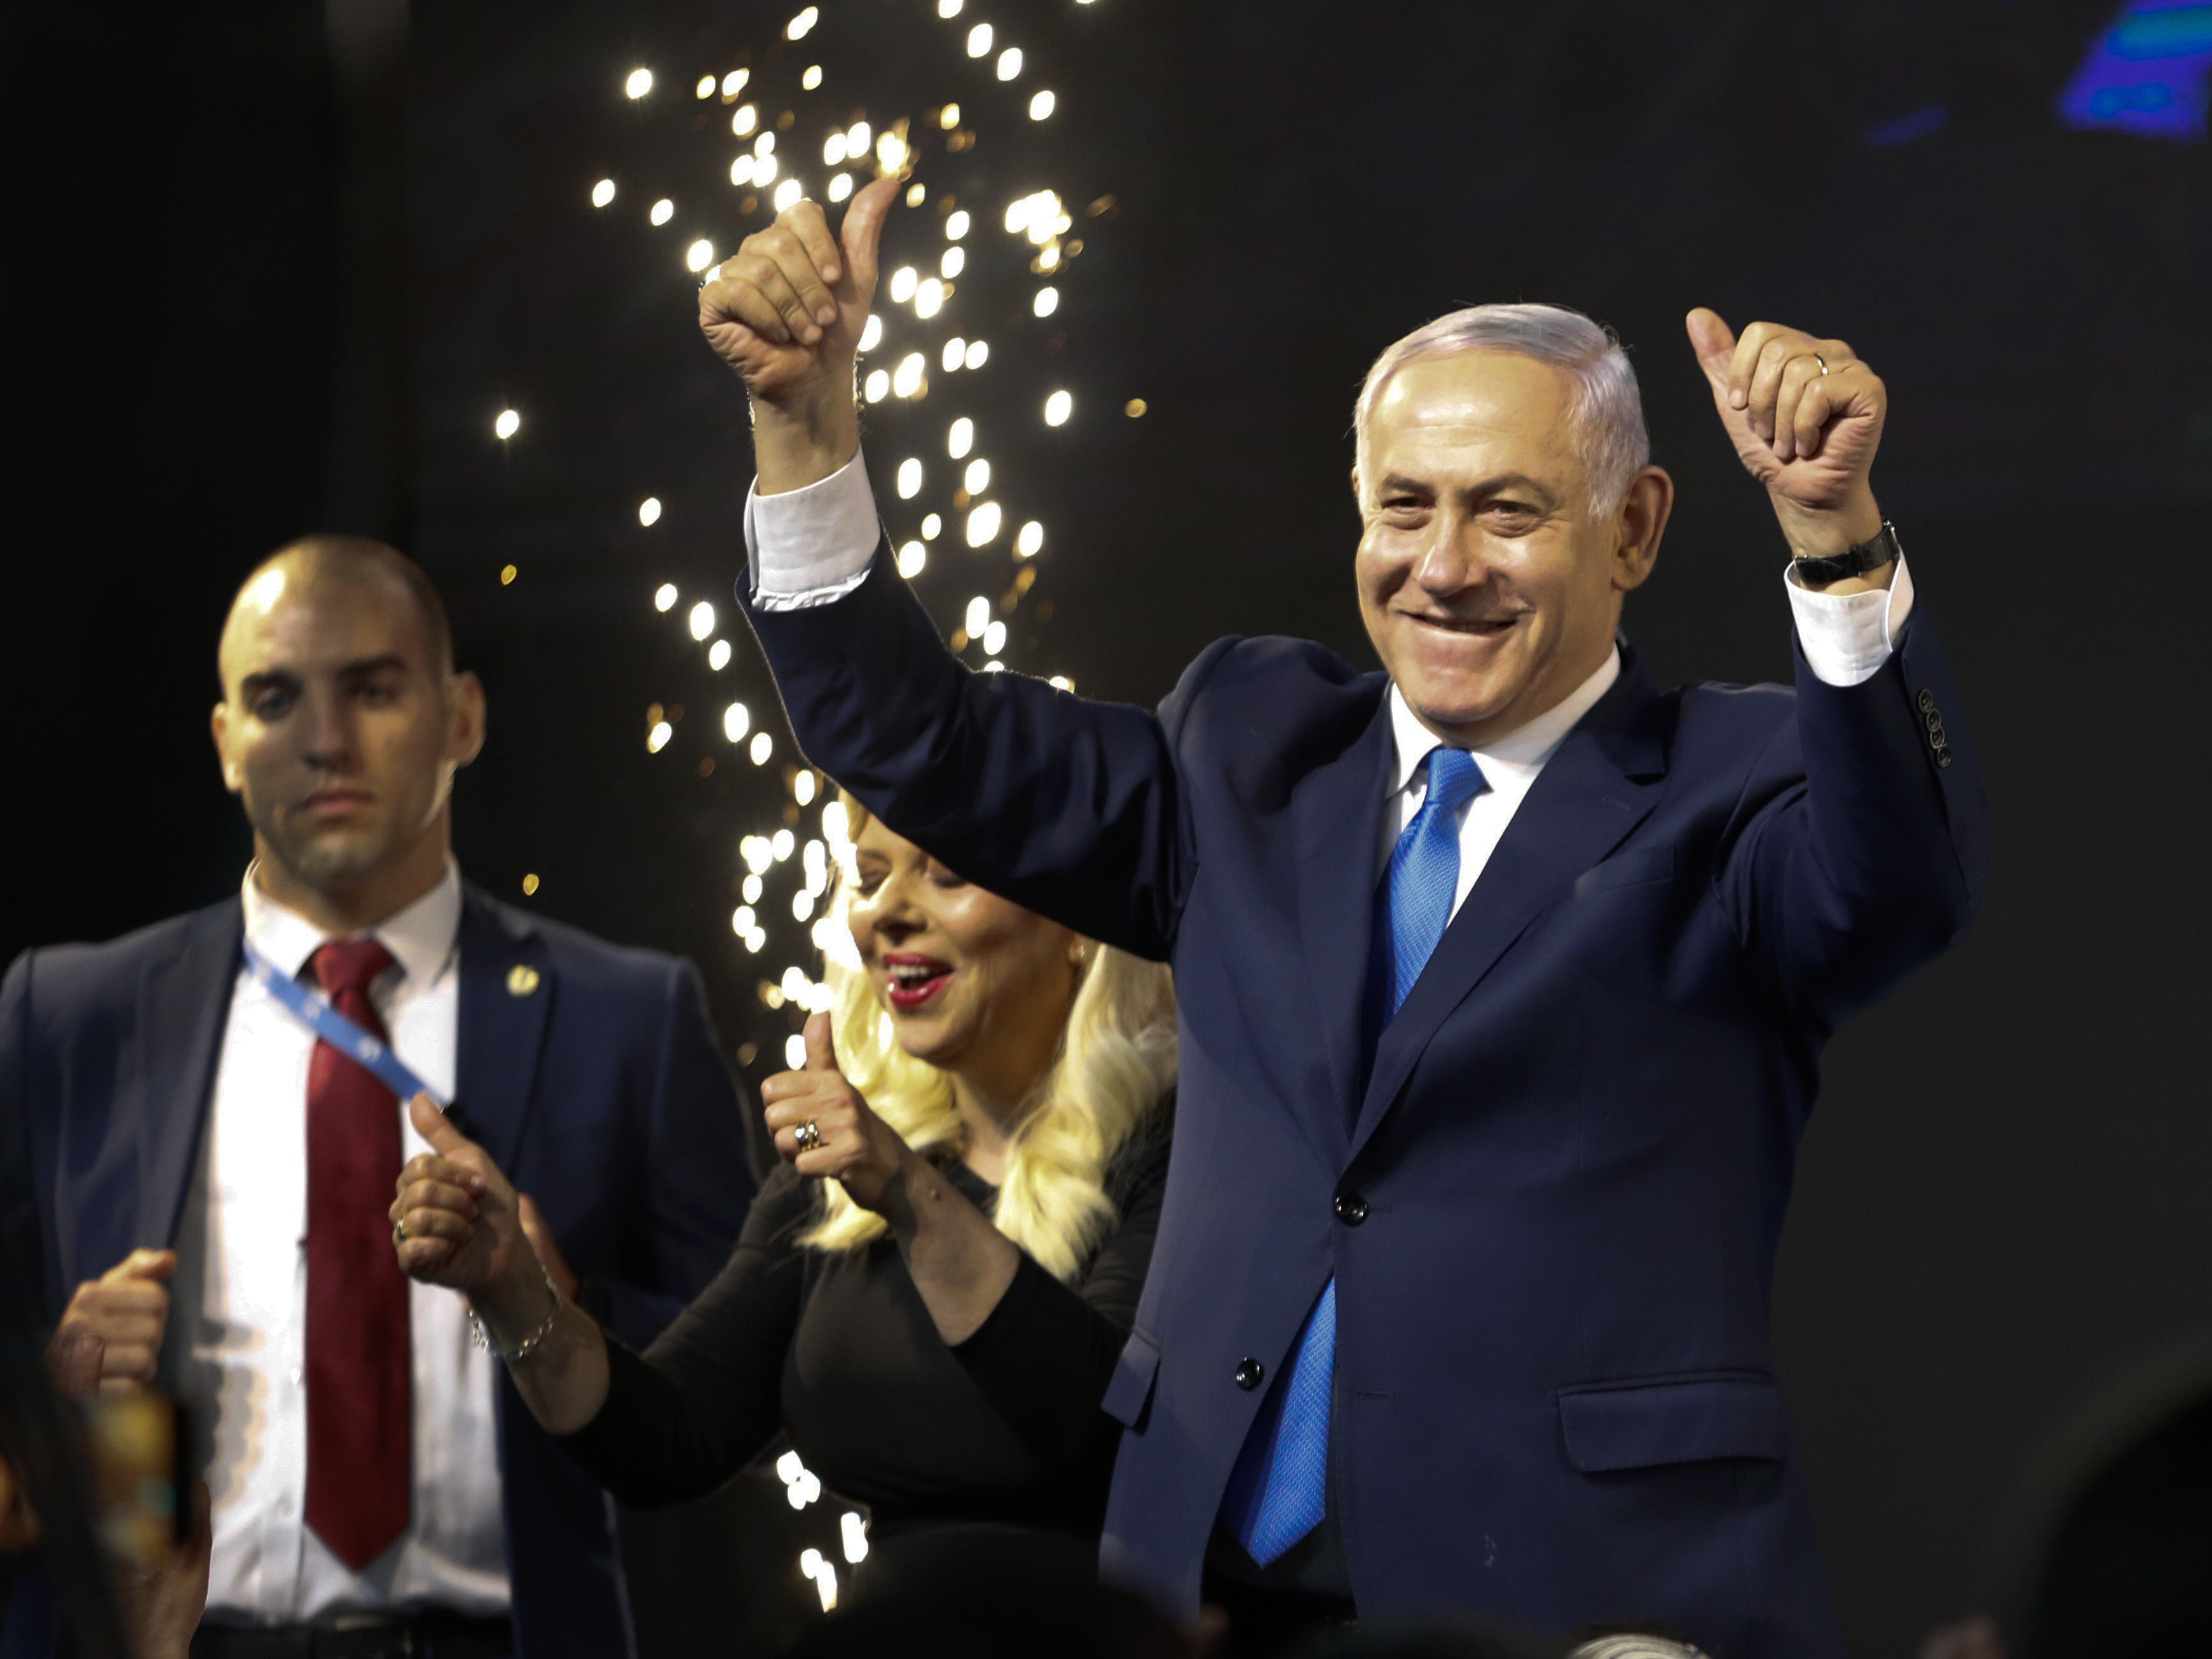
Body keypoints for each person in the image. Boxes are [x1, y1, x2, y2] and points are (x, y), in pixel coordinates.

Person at [692, 178, 1989, 1659]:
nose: (1444, 564)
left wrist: (1833, 537)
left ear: (1632, 529)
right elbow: (920, 743)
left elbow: (1901, 880)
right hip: (1198, 1582)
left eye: (1508, 510)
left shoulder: (1737, 778)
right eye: (1406, 507)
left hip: (1579, 1597)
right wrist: (804, 426)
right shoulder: (1245, 744)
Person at [0, 538, 756, 1658]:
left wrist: (565, 1312)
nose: (324, 741)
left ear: (462, 717)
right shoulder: (69, 1015)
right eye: (274, 699)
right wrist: (58, 1393)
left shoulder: (627, 1015)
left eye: (371, 688)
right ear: (224, 743)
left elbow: (751, 1379)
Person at [390, 805, 1177, 1568]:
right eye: (869, 878)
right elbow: (669, 1441)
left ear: (1077, 914)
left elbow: (1103, 1436)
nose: (888, 913)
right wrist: (516, 1293)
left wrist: (909, 1195)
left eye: (946, 875)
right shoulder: (842, 1171)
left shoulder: (1180, 1150)